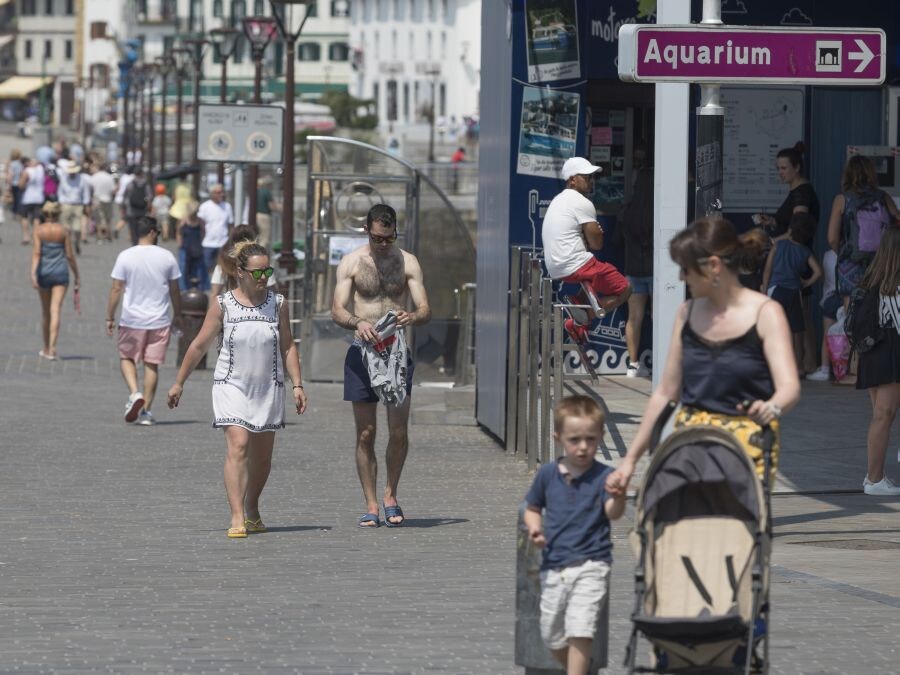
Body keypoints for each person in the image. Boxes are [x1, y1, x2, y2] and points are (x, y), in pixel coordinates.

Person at [606, 218, 801, 498]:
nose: (681, 277)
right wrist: (629, 461)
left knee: (734, 533)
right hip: (690, 447)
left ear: (714, 266)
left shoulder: (766, 313)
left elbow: (789, 387)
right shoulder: (686, 313)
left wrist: (772, 407)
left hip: (745, 447)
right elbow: (665, 393)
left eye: (685, 269)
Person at [167, 241, 308, 538]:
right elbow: (198, 345)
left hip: (268, 386)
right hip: (231, 384)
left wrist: (297, 384)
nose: (263, 277)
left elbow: (287, 346)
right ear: (240, 272)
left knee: (263, 457)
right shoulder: (223, 304)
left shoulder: (278, 304)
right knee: (239, 445)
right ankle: (236, 515)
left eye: (267, 271)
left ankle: (252, 505)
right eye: (257, 272)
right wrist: (179, 382)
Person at [331, 203, 431, 528]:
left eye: (388, 239)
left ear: (395, 233)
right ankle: (371, 503)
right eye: (377, 239)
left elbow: (425, 308)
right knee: (366, 433)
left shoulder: (408, 262)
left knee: (399, 431)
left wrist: (412, 316)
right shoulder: (352, 262)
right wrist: (357, 322)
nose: (383, 245)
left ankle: (391, 494)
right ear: (367, 232)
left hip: (397, 353)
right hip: (362, 352)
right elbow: (336, 310)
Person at [523, 395, 625, 675]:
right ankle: (578, 666)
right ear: (559, 438)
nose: (583, 447)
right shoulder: (547, 474)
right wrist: (535, 528)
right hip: (554, 565)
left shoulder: (605, 476)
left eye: (590, 440)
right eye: (574, 439)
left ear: (600, 437)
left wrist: (619, 496)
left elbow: (612, 513)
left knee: (581, 628)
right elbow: (532, 508)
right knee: (552, 634)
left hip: (593, 563)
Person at [541, 157, 632, 341]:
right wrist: (592, 234)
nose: (591, 181)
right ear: (572, 179)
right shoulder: (582, 203)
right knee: (625, 288)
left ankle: (579, 307)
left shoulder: (558, 200)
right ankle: (582, 319)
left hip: (555, 267)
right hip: (574, 264)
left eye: (592, 178)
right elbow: (597, 244)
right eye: (586, 177)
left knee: (591, 276)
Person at [106, 216, 182, 426]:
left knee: (126, 357)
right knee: (152, 365)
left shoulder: (125, 256)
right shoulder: (167, 257)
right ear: (151, 232)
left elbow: (116, 288)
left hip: (132, 319)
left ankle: (134, 393)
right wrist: (179, 314)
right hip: (159, 320)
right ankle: (146, 411)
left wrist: (109, 316)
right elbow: (175, 290)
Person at [754, 143, 821, 374]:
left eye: (784, 168)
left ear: (797, 167)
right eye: (778, 168)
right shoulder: (796, 191)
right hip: (796, 258)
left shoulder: (802, 194)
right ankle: (806, 362)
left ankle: (805, 362)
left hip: (795, 261)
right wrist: (772, 222)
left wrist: (773, 242)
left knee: (799, 317)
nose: (780, 172)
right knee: (800, 316)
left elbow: (798, 228)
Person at [854, 227, 900, 496]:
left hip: (873, 355)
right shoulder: (894, 285)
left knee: (880, 416)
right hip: (891, 355)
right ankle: (874, 479)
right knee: (885, 416)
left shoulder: (872, 281)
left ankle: (874, 477)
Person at [827, 154, 900, 310]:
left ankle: (854, 334)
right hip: (882, 261)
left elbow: (832, 238)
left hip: (851, 262)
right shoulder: (883, 197)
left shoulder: (842, 199)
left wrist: (845, 253)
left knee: (851, 306)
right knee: (880, 303)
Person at [762, 213, 823, 375]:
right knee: (797, 330)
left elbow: (768, 270)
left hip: (776, 291)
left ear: (790, 229)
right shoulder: (805, 251)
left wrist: (764, 290)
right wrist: (806, 283)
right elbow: (818, 272)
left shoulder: (779, 246)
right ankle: (799, 367)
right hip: (795, 293)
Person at [617, 144, 654, 377]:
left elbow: (617, 238)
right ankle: (660, 360)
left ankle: (632, 365)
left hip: (633, 268)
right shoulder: (658, 210)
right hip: (654, 268)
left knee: (634, 318)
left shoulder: (627, 211)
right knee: (660, 316)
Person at [30, 201, 79, 360]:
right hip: (60, 272)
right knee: (55, 309)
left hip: (44, 272)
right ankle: (52, 348)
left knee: (45, 312)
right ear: (58, 214)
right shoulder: (63, 231)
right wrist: (77, 274)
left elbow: (37, 253)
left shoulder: (39, 231)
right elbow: (70, 256)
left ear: (44, 214)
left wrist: (33, 274)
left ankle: (45, 347)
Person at [209, 224, 275, 297]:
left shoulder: (222, 266)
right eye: (257, 273)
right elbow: (272, 291)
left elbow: (215, 293)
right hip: (259, 304)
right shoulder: (263, 266)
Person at [808, 248, 842, 382]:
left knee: (827, 335)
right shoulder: (852, 253)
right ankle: (847, 369)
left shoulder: (827, 254)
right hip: (846, 296)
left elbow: (823, 277)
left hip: (830, 295)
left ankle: (825, 369)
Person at [197, 183, 234, 276]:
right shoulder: (205, 206)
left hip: (223, 242)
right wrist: (202, 236)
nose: (221, 194)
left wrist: (230, 240)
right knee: (206, 268)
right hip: (208, 243)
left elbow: (230, 224)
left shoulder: (227, 206)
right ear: (212, 194)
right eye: (218, 192)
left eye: (222, 192)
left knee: (222, 268)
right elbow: (200, 223)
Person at [56, 163, 92, 255]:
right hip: (66, 204)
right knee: (65, 228)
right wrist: (61, 203)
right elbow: (60, 192)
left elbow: (86, 193)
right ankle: (66, 246)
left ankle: (77, 243)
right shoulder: (64, 179)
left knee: (77, 228)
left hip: (78, 205)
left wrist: (86, 204)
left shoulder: (82, 179)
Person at [176, 204, 207, 291]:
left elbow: (203, 231)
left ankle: (199, 286)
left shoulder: (200, 220)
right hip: (185, 246)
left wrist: (201, 241)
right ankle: (184, 287)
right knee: (184, 267)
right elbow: (179, 232)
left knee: (198, 267)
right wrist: (179, 243)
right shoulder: (183, 220)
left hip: (196, 246)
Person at [122, 167, 152, 245]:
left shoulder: (130, 184)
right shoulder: (145, 184)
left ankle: (134, 243)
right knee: (141, 227)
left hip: (131, 210)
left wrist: (124, 207)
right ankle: (141, 242)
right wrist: (149, 207)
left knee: (133, 228)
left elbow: (125, 196)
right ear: (142, 173)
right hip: (142, 210)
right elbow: (149, 196)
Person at [19, 156, 45, 243]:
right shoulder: (41, 169)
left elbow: (21, 185)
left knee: (24, 216)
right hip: (39, 197)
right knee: (36, 218)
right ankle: (35, 236)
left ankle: (26, 236)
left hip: (28, 197)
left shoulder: (27, 171)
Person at [88, 162, 116, 243]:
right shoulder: (109, 177)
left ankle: (100, 237)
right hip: (108, 199)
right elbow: (113, 190)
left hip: (97, 199)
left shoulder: (94, 177)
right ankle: (108, 236)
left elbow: (90, 189)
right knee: (108, 219)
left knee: (98, 220)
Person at [6, 149, 24, 242]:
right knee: (18, 198)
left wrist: (8, 184)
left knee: (13, 198)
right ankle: (18, 212)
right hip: (19, 183)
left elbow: (10, 175)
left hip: (13, 183)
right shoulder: (20, 164)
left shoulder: (12, 164)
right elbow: (22, 173)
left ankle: (14, 212)